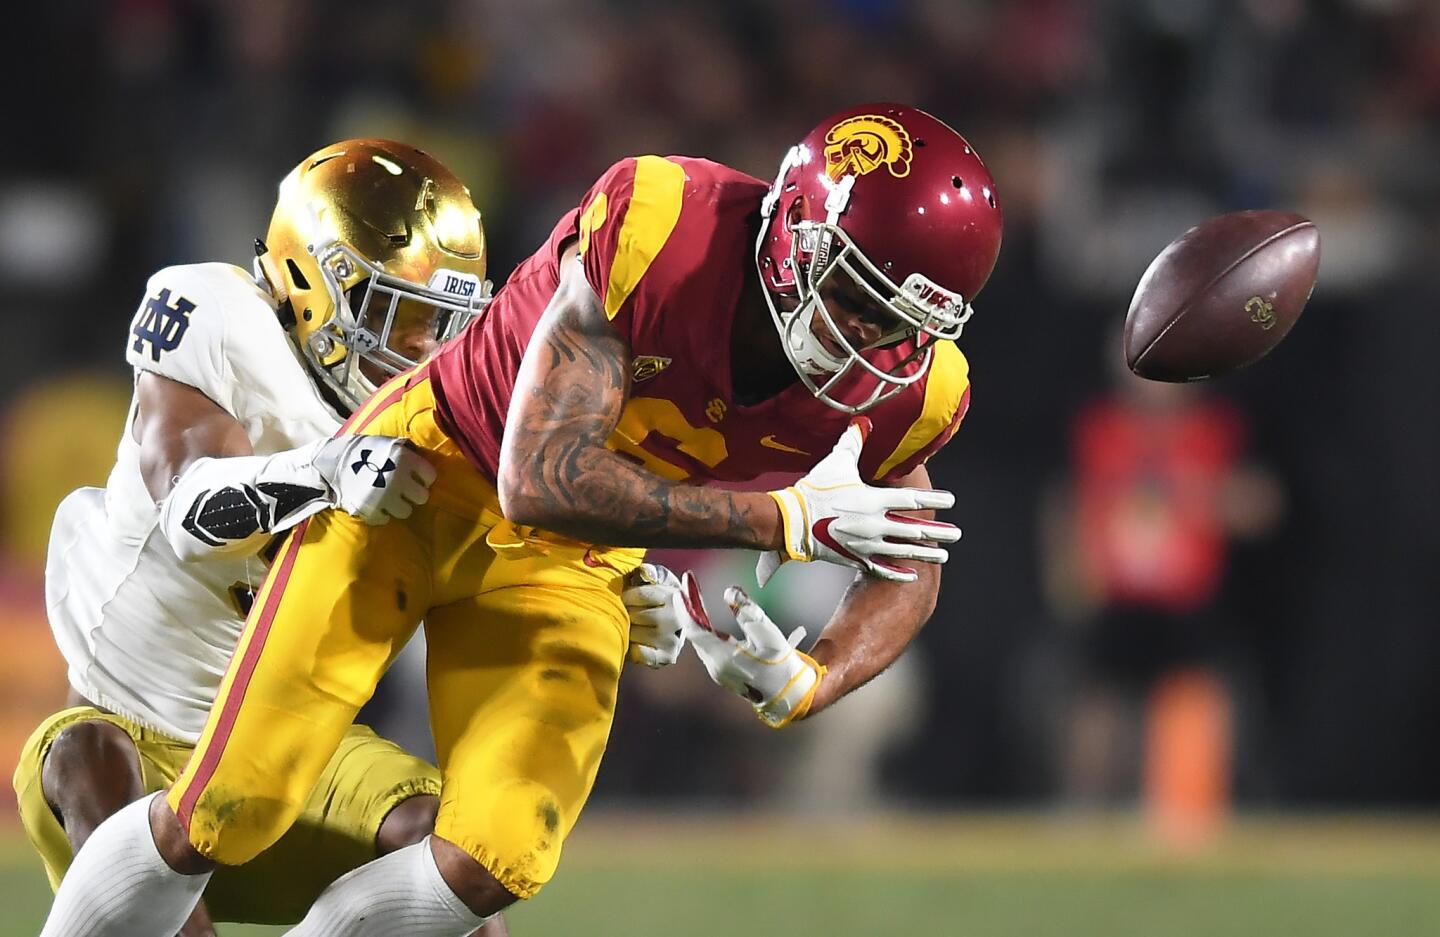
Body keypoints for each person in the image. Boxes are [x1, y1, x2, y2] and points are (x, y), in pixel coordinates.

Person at [40, 102, 1001, 937]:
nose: (870, 344)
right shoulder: (665, 226)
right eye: (852, 297)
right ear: (793, 236)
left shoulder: (914, 388)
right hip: (433, 476)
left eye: (902, 323)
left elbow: (908, 551)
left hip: (569, 555)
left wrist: (811, 674)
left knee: (495, 855)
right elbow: (536, 476)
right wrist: (779, 519)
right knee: (230, 807)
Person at [17, 138, 674, 936]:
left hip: (294, 738)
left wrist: (614, 589)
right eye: (402, 315)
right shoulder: (218, 315)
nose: (431, 350)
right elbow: (186, 508)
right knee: (87, 759)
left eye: (446, 322)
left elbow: (506, 561)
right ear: (307, 281)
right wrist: (324, 472)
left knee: (451, 880)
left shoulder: (442, 415)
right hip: (126, 726)